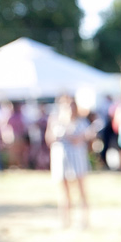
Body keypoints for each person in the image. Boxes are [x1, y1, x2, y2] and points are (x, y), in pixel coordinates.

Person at [45, 95, 91, 229]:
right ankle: (65, 221)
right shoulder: (55, 120)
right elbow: (49, 139)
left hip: (77, 158)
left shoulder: (81, 121)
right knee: (64, 193)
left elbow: (84, 138)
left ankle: (85, 220)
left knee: (81, 191)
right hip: (61, 158)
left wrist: (72, 137)